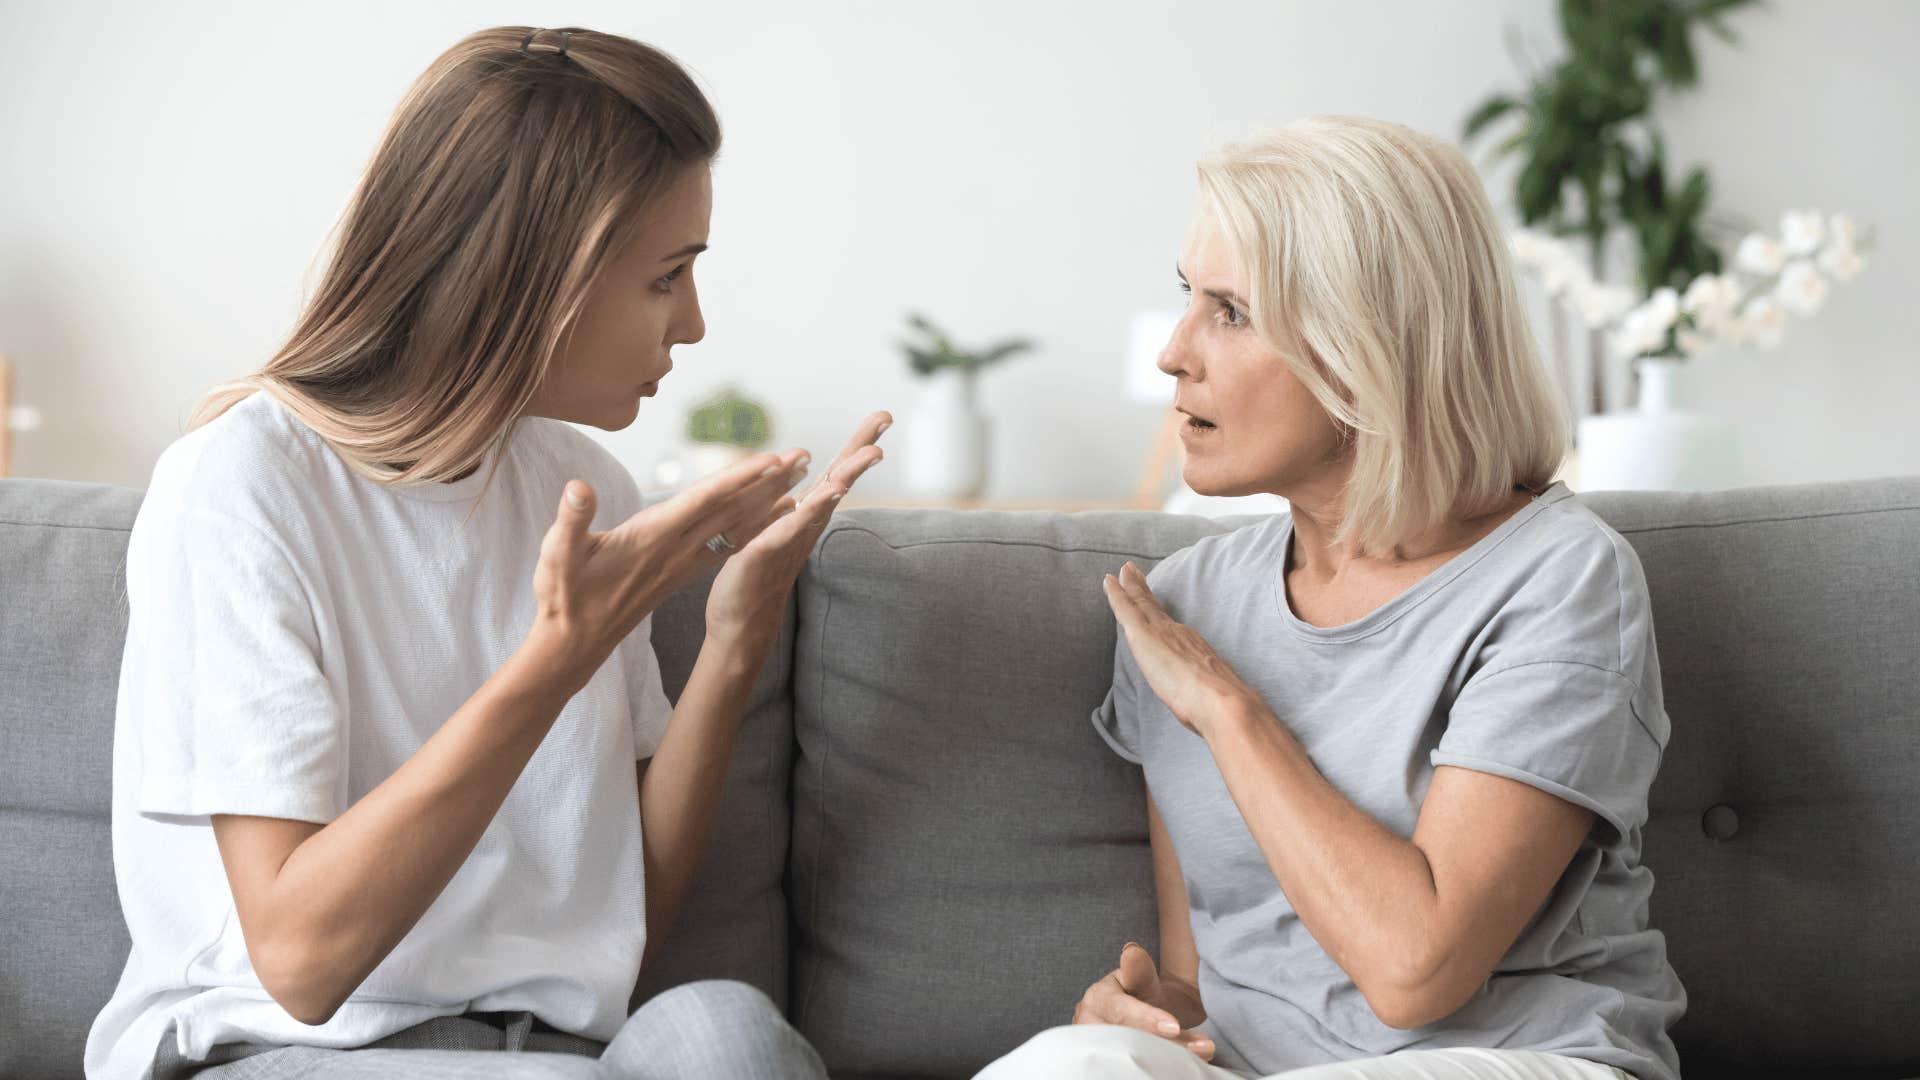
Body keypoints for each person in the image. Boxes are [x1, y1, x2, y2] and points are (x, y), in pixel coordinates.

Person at [84, 26, 885, 1079]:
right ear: (531, 274)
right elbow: (299, 958)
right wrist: (552, 661)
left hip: (555, 1053)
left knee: (727, 1033)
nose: (691, 326)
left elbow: (622, 900)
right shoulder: (241, 485)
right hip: (290, 1049)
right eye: (665, 278)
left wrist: (736, 640)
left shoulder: (578, 486)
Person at [979, 117, 1685, 1080]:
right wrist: (1151, 1015)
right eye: (1187, 296)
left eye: (1229, 311)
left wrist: (1231, 712)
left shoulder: (1560, 579)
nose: (1174, 353)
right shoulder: (1182, 605)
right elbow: (1209, 973)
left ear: (1367, 348)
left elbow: (1415, 971)